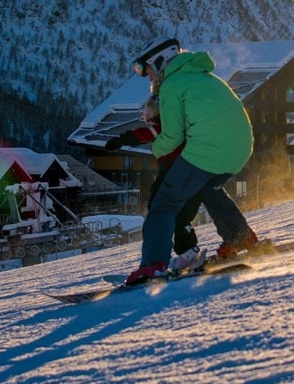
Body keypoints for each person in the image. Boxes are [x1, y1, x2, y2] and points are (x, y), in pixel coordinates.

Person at [123, 36, 257, 285]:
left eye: (146, 69)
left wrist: (156, 150)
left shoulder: (172, 85)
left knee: (164, 205)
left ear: (159, 61)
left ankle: (153, 266)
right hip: (239, 150)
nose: (147, 76)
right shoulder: (207, 77)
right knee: (208, 188)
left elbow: (172, 137)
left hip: (206, 151)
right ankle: (240, 237)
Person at [105, 95, 205, 270]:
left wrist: (121, 140)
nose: (147, 118)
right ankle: (189, 254)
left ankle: (154, 263)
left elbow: (144, 134)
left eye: (147, 113)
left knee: (157, 214)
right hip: (194, 174)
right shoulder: (185, 124)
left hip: (172, 173)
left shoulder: (165, 124)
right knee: (182, 218)